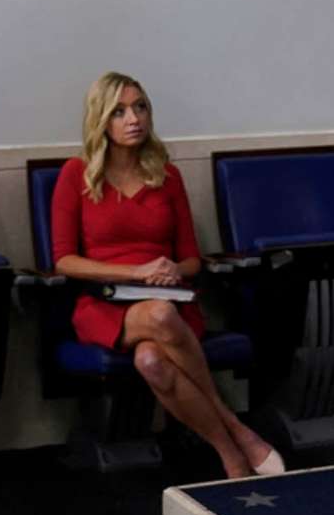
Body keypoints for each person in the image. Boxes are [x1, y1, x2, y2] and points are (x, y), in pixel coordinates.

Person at [51, 72, 282, 479]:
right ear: (101, 120)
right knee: (156, 317)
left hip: (171, 302)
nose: (133, 118)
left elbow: (192, 260)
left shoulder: (167, 175)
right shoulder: (77, 174)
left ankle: (229, 457)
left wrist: (173, 269)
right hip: (105, 304)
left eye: (140, 107)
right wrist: (134, 270)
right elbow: (64, 260)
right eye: (119, 111)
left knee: (151, 360)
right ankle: (236, 434)